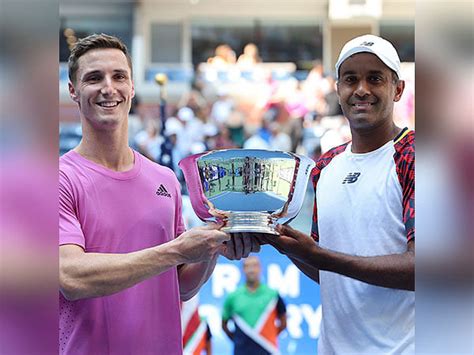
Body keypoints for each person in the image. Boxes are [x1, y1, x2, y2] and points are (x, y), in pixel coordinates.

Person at [59, 33, 259, 355]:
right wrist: (177, 251)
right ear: (73, 91)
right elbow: (71, 278)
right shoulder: (58, 180)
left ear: (133, 87)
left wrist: (212, 246)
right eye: (94, 78)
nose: (108, 88)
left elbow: (180, 286)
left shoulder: (163, 178)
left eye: (119, 76)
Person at [259, 34, 415, 353]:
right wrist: (283, 242)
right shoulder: (325, 167)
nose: (361, 90)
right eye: (350, 79)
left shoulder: (416, 156)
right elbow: (329, 272)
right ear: (338, 89)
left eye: (375, 79)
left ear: (398, 89)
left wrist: (320, 255)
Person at [222, 256, 287, 355]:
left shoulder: (273, 295)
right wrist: (238, 340)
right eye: (247, 266)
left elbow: (283, 322)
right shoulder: (233, 297)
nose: (251, 270)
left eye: (255, 266)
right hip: (241, 351)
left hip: (268, 350)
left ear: (261, 268)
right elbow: (224, 324)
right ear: (242, 270)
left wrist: (267, 337)